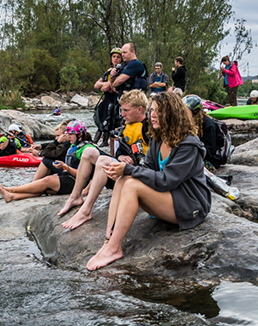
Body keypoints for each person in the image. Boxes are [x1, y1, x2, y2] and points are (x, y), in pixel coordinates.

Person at [86, 91, 211, 271]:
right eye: (151, 110)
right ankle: (109, 240)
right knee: (125, 179)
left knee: (131, 183)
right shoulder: (157, 139)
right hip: (169, 198)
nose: (152, 115)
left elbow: (168, 180)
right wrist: (123, 170)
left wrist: (129, 169)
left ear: (172, 114)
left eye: (158, 111)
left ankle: (114, 248)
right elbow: (147, 170)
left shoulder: (189, 144)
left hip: (190, 205)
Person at [59, 89, 150, 228]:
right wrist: (122, 156)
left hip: (139, 176)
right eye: (122, 110)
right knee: (89, 152)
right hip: (125, 170)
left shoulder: (150, 128)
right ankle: (75, 196)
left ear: (139, 109)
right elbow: (119, 151)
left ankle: (85, 211)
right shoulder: (127, 126)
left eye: (126, 110)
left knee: (102, 161)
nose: (122, 114)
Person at [0, 120, 93, 202]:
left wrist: (66, 167)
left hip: (79, 182)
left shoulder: (87, 149)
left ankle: (13, 190)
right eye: (67, 134)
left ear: (79, 134)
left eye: (70, 135)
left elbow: (86, 174)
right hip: (71, 176)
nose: (68, 137)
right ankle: (12, 196)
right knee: (45, 188)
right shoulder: (74, 145)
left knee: (47, 181)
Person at [93, 47, 124, 147]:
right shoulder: (108, 72)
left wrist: (108, 86)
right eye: (114, 57)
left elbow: (114, 87)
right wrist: (106, 84)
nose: (115, 59)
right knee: (101, 118)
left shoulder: (122, 71)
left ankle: (106, 140)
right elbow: (96, 85)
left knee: (110, 118)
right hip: (106, 99)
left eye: (118, 57)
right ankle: (95, 141)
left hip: (115, 100)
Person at [184, 95, 224, 171]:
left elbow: (209, 151)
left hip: (211, 160)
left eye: (185, 110)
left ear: (194, 111)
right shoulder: (189, 122)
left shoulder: (209, 125)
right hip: (197, 156)